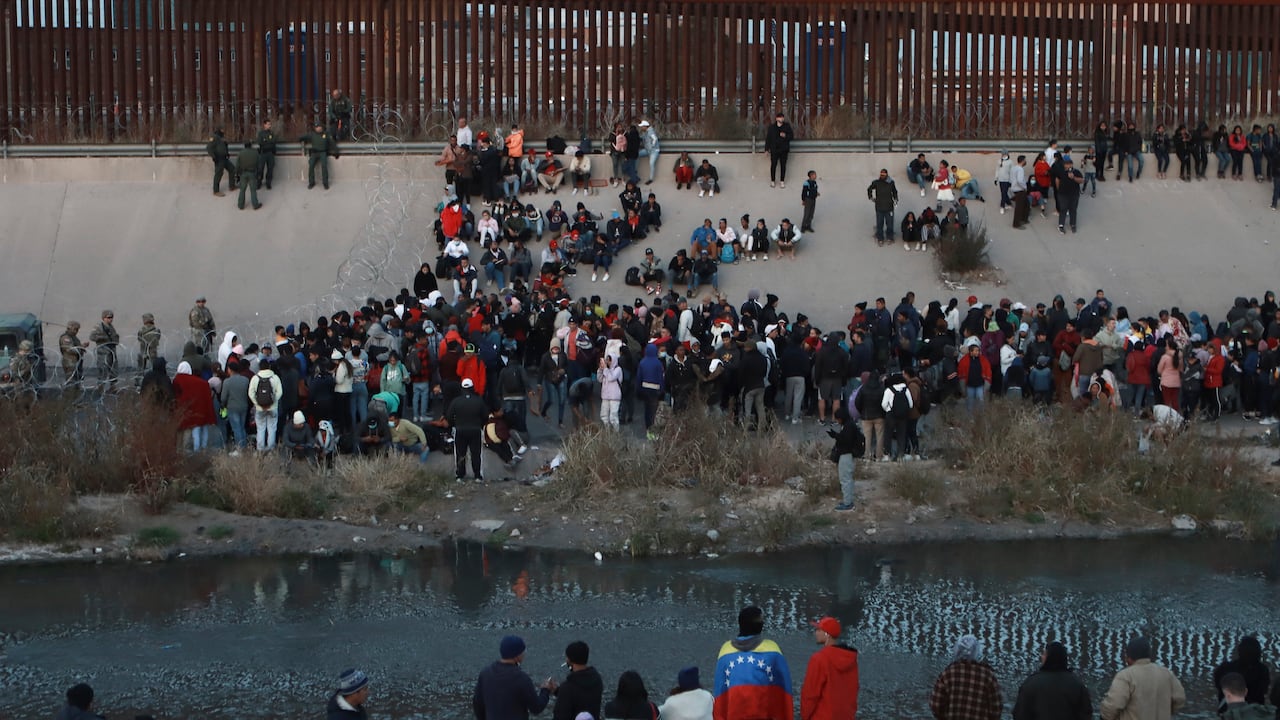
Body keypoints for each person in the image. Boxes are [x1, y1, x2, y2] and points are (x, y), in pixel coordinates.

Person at [713, 606, 793, 720]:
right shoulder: (772, 650)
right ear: (760, 626)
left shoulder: (726, 651)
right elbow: (784, 689)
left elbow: (719, 690)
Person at [1099, 637, 1185, 720]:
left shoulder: (1126, 676)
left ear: (1128, 658)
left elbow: (1112, 706)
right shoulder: (1167, 674)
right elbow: (1179, 699)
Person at [474, 635, 555, 720]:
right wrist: (545, 690)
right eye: (523, 651)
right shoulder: (521, 678)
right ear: (517, 655)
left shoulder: (485, 673)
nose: (524, 654)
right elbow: (536, 708)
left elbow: (477, 704)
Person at [1011, 642, 1092, 720]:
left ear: (1048, 658)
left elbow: (1020, 714)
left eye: (1044, 654)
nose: (1041, 657)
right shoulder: (1077, 684)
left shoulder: (1031, 683)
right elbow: (1086, 713)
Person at [800, 616, 859, 720]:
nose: (815, 633)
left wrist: (805, 716)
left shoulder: (819, 659)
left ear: (827, 634)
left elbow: (810, 695)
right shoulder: (851, 659)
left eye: (818, 630)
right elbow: (854, 689)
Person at [930, 634, 1002, 720]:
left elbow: (936, 706)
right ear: (977, 652)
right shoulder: (988, 676)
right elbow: (996, 710)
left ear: (957, 651)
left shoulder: (947, 674)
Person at [448, 377, 490, 482]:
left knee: (460, 453)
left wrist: (454, 425)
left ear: (462, 388)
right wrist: (480, 425)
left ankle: (460, 475)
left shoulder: (456, 401)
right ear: (472, 388)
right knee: (476, 453)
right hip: (475, 430)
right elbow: (485, 416)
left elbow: (449, 416)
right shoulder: (479, 401)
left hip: (460, 430)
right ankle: (477, 476)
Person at [1212, 636, 1270, 708]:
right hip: (1255, 710)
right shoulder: (1263, 670)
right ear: (1259, 653)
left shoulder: (1225, 668)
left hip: (1229, 708)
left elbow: (1218, 684)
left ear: (1239, 651)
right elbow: (1264, 690)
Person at [553, 641, 604, 720]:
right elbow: (582, 696)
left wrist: (560, 692)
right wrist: (557, 691)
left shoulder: (567, 687)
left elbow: (560, 715)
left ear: (570, 660)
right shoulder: (597, 680)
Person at [249, 360, 284, 451]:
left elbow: (251, 393)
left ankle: (260, 448)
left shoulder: (255, 378)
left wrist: (257, 403)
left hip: (260, 408)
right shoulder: (275, 377)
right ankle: (271, 448)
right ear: (269, 367)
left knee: (260, 429)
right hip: (273, 407)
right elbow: (280, 392)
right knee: (272, 429)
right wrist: (273, 402)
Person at [88, 309, 119, 389]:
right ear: (104, 318)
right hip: (103, 352)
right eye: (108, 317)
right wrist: (102, 337)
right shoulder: (99, 326)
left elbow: (115, 337)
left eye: (111, 317)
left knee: (113, 369)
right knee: (103, 370)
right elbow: (92, 337)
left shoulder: (111, 327)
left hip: (111, 351)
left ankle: (113, 387)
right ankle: (101, 388)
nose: (110, 319)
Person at [867, 168, 898, 246]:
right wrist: (871, 197)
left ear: (887, 174)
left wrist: (896, 199)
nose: (882, 176)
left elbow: (894, 192)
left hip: (889, 207)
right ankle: (880, 238)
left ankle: (890, 237)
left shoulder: (891, 183)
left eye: (884, 174)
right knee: (879, 224)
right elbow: (869, 189)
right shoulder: (876, 182)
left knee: (890, 224)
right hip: (879, 207)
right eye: (881, 174)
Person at [302, 123, 336, 190]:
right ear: (315, 128)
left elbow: (332, 142)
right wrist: (300, 138)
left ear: (322, 128)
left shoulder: (326, 134)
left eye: (320, 127)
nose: (318, 128)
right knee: (311, 165)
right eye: (317, 127)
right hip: (314, 153)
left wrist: (336, 151)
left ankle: (325, 183)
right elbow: (304, 137)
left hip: (323, 152)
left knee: (324, 166)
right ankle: (311, 182)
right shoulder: (312, 134)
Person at [1055, 158, 1084, 233]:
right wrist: (1059, 190)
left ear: (1072, 164)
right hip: (1063, 194)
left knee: (1073, 209)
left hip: (1074, 195)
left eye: (1069, 164)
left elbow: (1081, 180)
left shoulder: (1076, 172)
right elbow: (1057, 180)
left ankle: (1073, 224)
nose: (1067, 166)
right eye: (1066, 164)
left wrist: (1073, 177)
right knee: (1063, 209)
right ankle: (1061, 225)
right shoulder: (1061, 171)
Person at [205, 128, 237, 196]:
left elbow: (224, 147)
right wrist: (213, 156)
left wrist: (227, 153)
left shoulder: (222, 138)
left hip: (224, 158)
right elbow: (209, 147)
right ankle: (216, 191)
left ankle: (232, 186)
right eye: (222, 131)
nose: (223, 132)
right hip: (218, 158)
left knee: (232, 169)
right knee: (219, 173)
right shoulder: (214, 137)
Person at [764, 112, 793, 187]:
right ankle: (772, 181)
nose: (782, 119)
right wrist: (766, 149)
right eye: (780, 117)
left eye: (782, 117)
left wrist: (785, 135)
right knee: (773, 165)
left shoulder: (787, 126)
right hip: (774, 150)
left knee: (783, 166)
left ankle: (782, 181)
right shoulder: (772, 127)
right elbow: (768, 139)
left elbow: (791, 136)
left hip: (784, 150)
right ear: (776, 118)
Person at [59, 320, 88, 385]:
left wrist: (82, 346)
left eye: (77, 330)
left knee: (77, 382)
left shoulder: (73, 337)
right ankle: (70, 394)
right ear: (69, 328)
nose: (76, 331)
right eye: (75, 329)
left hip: (76, 362)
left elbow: (76, 346)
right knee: (71, 382)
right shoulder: (65, 338)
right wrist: (80, 348)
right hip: (70, 362)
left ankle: (75, 394)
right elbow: (70, 349)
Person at [235, 140, 262, 210]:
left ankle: (240, 205)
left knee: (242, 189)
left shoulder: (240, 153)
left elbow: (237, 165)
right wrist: (259, 173)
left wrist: (237, 173)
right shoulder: (255, 153)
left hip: (243, 173)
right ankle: (255, 204)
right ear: (251, 145)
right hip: (252, 173)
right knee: (253, 190)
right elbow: (259, 164)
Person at [255, 119, 278, 189]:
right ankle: (259, 182)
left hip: (270, 153)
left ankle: (268, 183)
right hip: (263, 153)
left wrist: (266, 141)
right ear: (264, 125)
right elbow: (260, 142)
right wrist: (268, 142)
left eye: (270, 124)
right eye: (268, 124)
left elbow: (273, 141)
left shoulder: (271, 133)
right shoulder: (261, 133)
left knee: (270, 168)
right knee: (260, 169)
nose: (269, 126)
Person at [1010, 155, 1030, 229]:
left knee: (1026, 205)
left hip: (1015, 189)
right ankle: (1016, 224)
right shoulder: (1020, 169)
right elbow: (1020, 180)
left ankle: (1024, 219)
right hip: (1020, 190)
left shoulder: (1014, 168)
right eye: (1025, 160)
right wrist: (1024, 187)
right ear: (1022, 161)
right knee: (1019, 207)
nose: (1025, 162)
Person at [639, 119, 660, 184]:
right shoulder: (646, 132)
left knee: (651, 163)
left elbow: (654, 138)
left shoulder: (650, 131)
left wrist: (652, 146)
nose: (641, 128)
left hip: (654, 151)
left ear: (645, 126)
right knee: (637, 154)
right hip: (648, 150)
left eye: (642, 126)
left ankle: (651, 178)